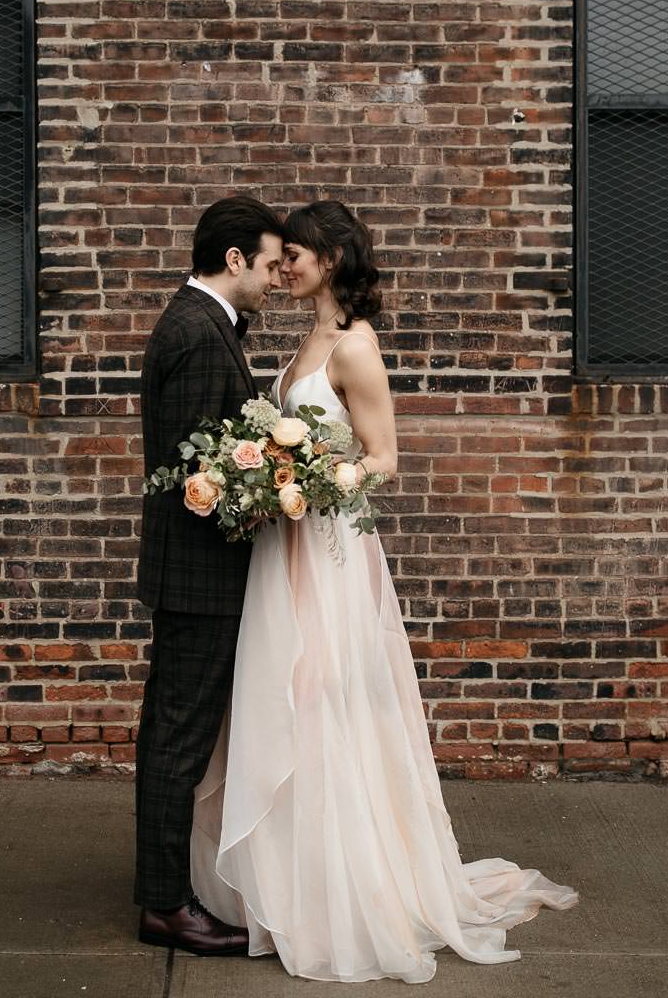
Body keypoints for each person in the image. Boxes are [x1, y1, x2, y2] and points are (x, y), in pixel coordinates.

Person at [188, 199, 579, 984]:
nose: (284, 266)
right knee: (280, 700)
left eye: (295, 254)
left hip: (328, 553)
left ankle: (346, 890)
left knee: (324, 701)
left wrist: (312, 477)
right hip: (286, 545)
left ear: (329, 259)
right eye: (280, 257)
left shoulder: (357, 348)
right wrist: (267, 474)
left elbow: (385, 457)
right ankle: (285, 883)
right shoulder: (309, 337)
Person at [133, 195, 286, 956]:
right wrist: (269, 498)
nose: (272, 280)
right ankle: (164, 905)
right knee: (177, 741)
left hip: (195, 578)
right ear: (233, 260)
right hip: (199, 579)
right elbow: (197, 471)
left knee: (172, 734)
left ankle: (163, 891)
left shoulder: (204, 326)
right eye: (265, 265)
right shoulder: (197, 334)